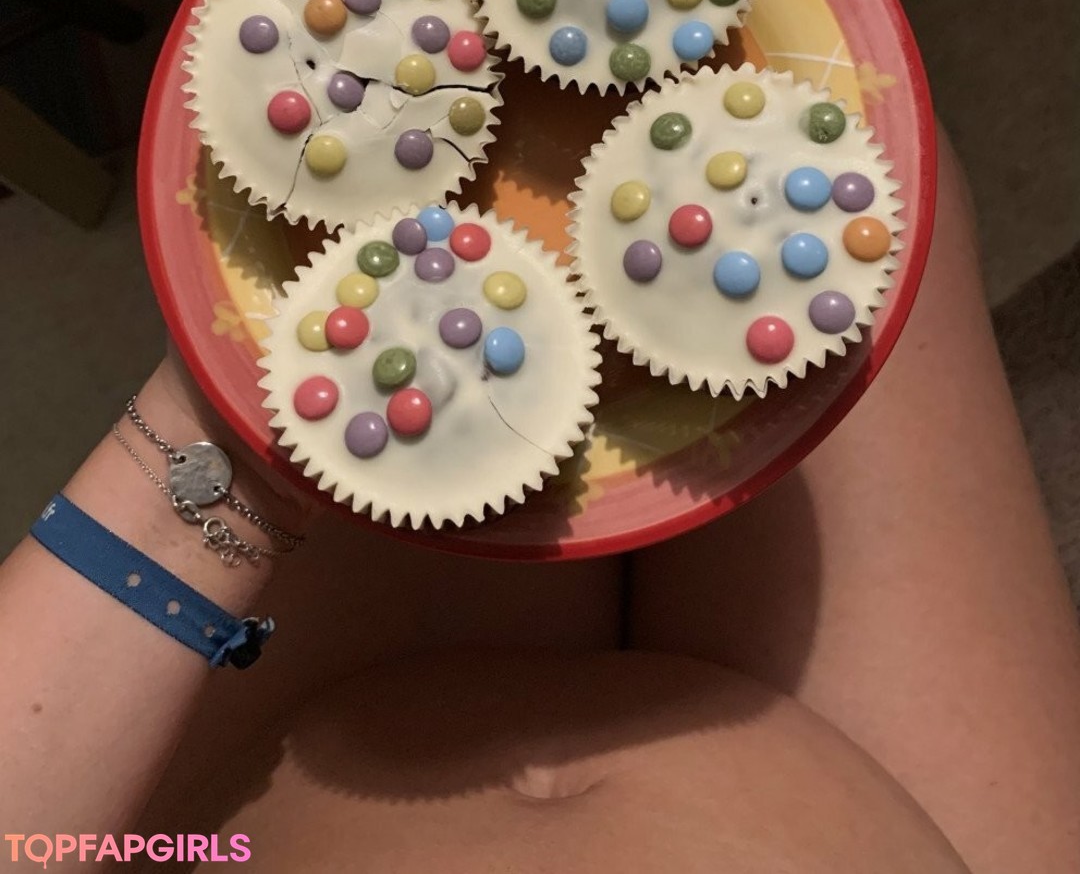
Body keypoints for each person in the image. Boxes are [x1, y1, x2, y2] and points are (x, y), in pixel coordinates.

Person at [1, 134, 1078, 873]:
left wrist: (214, 463)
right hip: (909, 822)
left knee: (514, 194)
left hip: (231, 824)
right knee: (885, 189)